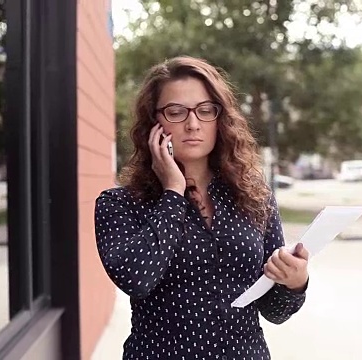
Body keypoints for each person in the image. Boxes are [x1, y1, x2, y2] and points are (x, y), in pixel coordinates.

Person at [94, 56, 310, 360]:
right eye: (176, 111)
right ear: (154, 123)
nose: (193, 123)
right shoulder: (120, 204)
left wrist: (295, 281)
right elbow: (136, 279)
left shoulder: (255, 196)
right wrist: (173, 190)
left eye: (205, 110)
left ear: (220, 119)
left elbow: (275, 312)